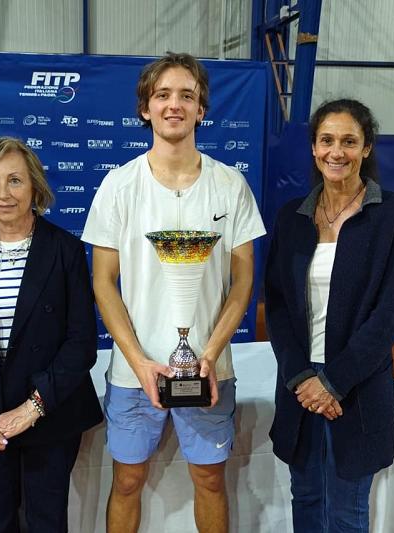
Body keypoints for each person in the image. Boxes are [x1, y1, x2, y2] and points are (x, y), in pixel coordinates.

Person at [82, 53, 266, 533]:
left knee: (209, 480)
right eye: (162, 95)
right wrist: (140, 362)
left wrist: (210, 355)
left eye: (187, 95)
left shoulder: (230, 185)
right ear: (145, 108)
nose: (174, 105)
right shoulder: (118, 185)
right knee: (126, 481)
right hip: (132, 372)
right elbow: (103, 282)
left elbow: (243, 281)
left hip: (209, 369)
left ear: (201, 109)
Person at [264, 98, 394, 532]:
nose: (337, 152)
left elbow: (389, 314)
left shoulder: (392, 214)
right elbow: (277, 304)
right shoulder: (292, 217)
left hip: (357, 384)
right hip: (299, 385)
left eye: (349, 141)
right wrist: (302, 378)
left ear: (366, 148)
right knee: (307, 498)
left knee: (348, 511)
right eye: (327, 140)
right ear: (314, 147)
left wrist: (332, 382)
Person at [0, 137, 103, 532]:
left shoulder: (65, 250)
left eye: (15, 180)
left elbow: (81, 343)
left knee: (47, 522)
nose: (3, 194)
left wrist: (32, 408)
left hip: (50, 415)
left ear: (34, 187)